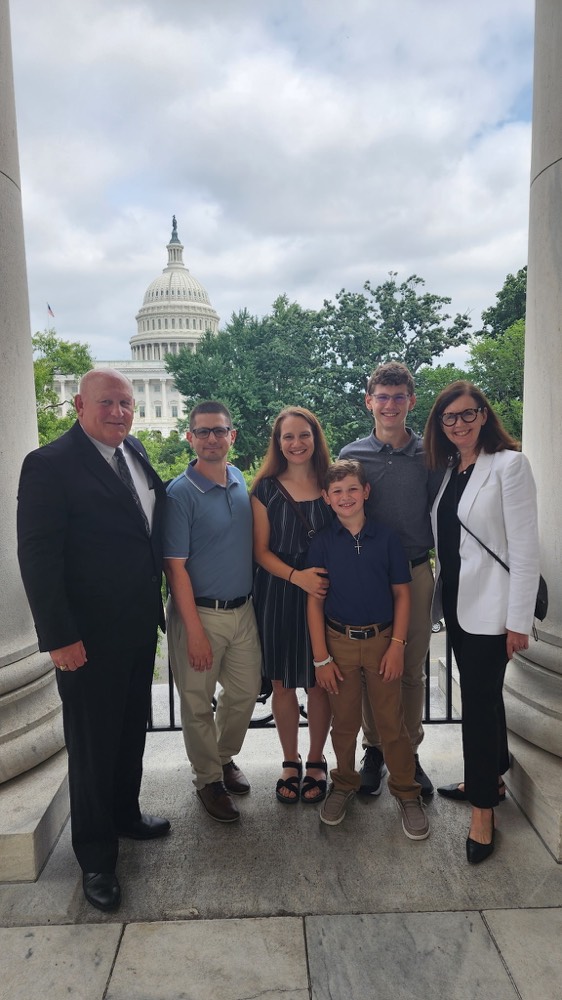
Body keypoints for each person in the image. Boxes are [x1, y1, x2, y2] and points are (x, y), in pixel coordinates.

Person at [17, 369, 170, 914]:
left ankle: (125, 816)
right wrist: (59, 637)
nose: (120, 412)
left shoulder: (135, 450)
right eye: (108, 402)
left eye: (126, 403)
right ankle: (97, 858)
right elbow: (38, 558)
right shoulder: (49, 465)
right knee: (91, 747)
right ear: (79, 405)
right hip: (85, 639)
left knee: (131, 731)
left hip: (135, 630)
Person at [424, 381, 539, 864]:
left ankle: (483, 811)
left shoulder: (509, 465)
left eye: (467, 414)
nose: (459, 425)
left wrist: (519, 621)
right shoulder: (453, 468)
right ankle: (491, 771)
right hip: (458, 601)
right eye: (449, 418)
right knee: (486, 696)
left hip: (493, 611)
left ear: (484, 414)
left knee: (475, 703)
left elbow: (526, 548)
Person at [306, 460, 429, 840]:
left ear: (366, 492)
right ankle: (343, 783)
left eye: (352, 489)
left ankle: (407, 793)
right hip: (338, 644)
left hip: (382, 642)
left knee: (392, 723)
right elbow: (314, 603)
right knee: (343, 723)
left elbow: (402, 594)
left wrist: (397, 646)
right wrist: (321, 658)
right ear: (326, 498)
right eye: (337, 492)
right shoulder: (322, 542)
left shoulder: (388, 539)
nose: (346, 497)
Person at [339, 361, 441, 798]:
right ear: (369, 402)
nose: (390, 405)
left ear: (411, 402)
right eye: (382, 397)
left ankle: (409, 751)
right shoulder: (352, 455)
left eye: (399, 397)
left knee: (410, 670)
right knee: (368, 671)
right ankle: (375, 750)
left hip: (416, 571)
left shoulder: (430, 456)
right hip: (368, 578)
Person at [163, 402, 262, 824]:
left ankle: (221, 758)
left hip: (243, 610)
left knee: (243, 694)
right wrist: (194, 631)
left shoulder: (239, 479)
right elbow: (175, 567)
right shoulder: (179, 493)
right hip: (198, 614)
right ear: (190, 437)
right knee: (197, 702)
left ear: (231, 436)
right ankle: (207, 779)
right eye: (202, 432)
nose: (211, 439)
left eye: (219, 431)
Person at [251, 407, 333, 804]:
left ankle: (317, 759)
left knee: (320, 683)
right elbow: (260, 551)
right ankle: (290, 760)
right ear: (278, 443)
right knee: (283, 684)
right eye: (288, 437)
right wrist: (296, 577)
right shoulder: (265, 489)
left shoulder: (332, 483)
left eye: (304, 435)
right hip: (280, 592)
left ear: (315, 438)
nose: (297, 443)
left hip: (325, 594)